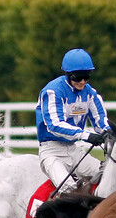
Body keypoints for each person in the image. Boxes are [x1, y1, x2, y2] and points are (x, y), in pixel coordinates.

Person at [36, 48, 110, 193]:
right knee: (69, 189)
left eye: (86, 77)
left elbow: (102, 122)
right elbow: (54, 125)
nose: (83, 82)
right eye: (78, 77)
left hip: (74, 150)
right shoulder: (53, 91)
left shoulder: (90, 93)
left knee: (106, 175)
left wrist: (110, 135)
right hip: (51, 151)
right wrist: (86, 135)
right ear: (68, 75)